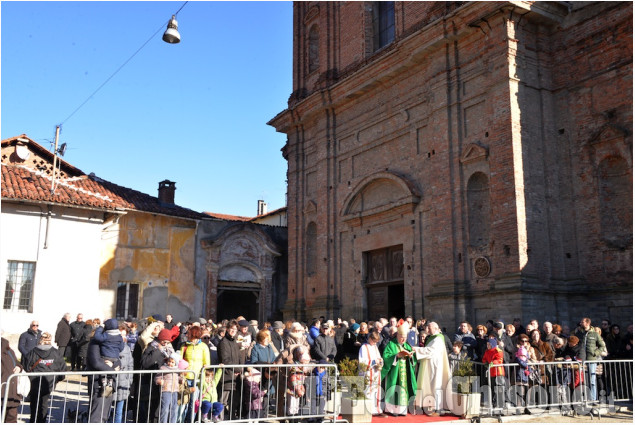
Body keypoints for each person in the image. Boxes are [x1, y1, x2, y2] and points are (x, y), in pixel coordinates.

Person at [22, 332, 67, 423]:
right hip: (48, 382)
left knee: (34, 403)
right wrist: (56, 379)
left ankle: (33, 421)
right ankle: (42, 421)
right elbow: (62, 368)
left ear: (40, 340)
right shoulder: (56, 353)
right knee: (44, 403)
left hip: (34, 382)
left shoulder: (32, 352)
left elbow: (26, 366)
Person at [413, 321, 451, 416]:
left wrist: (417, 349)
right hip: (430, 364)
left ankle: (437, 407)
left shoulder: (438, 339)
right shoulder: (432, 338)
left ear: (435, 328)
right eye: (427, 328)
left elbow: (431, 351)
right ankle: (429, 405)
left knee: (436, 385)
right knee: (430, 385)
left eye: (429, 328)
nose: (428, 330)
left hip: (436, 366)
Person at [138, 329, 175, 422]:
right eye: (164, 342)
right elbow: (145, 363)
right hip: (150, 381)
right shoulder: (151, 346)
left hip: (163, 383)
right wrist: (158, 351)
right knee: (149, 409)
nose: (166, 344)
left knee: (158, 409)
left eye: (168, 342)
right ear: (160, 339)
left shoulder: (168, 349)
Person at [381, 323, 416, 416]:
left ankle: (402, 410)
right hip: (394, 371)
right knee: (394, 388)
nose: (403, 339)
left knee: (404, 389)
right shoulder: (391, 344)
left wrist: (411, 356)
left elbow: (413, 360)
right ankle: (392, 410)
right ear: (397, 335)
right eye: (402, 337)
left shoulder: (407, 346)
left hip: (405, 371)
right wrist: (396, 356)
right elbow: (386, 357)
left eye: (405, 337)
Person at [180, 325, 211, 422]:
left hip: (197, 379)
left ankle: (190, 421)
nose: (187, 336)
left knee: (193, 403)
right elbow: (180, 360)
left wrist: (204, 372)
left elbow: (207, 363)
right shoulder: (184, 346)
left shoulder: (203, 347)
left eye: (189, 334)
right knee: (183, 403)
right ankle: (181, 421)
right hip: (185, 377)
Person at [575, 317, 606, 402]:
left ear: (588, 323)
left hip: (591, 359)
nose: (581, 323)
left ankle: (593, 399)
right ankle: (583, 399)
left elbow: (602, 345)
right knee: (583, 380)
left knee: (592, 380)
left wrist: (595, 353)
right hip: (581, 360)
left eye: (583, 322)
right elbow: (574, 344)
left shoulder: (595, 334)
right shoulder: (578, 333)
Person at [218, 320, 242, 420]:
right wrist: (238, 368)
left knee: (234, 401)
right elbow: (225, 359)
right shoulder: (224, 342)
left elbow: (238, 357)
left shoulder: (235, 342)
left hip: (235, 376)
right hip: (227, 375)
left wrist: (240, 369)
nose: (233, 331)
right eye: (231, 329)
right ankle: (220, 420)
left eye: (235, 329)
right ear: (227, 329)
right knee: (223, 401)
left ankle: (232, 419)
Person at [358, 329, 384, 416]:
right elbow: (362, 362)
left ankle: (376, 409)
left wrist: (380, 361)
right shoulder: (364, 347)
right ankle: (368, 409)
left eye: (376, 342)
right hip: (368, 373)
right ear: (370, 338)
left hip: (376, 372)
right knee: (368, 391)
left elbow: (378, 357)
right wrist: (373, 362)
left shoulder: (375, 347)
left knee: (375, 391)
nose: (375, 343)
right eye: (374, 341)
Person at [155, 353, 183, 423]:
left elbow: (177, 378)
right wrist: (159, 381)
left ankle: (172, 422)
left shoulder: (177, 370)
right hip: (166, 389)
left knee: (174, 408)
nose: (170, 363)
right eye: (169, 361)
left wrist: (181, 379)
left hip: (175, 390)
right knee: (165, 409)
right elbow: (157, 377)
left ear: (175, 363)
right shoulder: (163, 368)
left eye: (172, 362)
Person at [1, 335, 23, 423]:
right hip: (4, 391)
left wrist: (19, 367)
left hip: (11, 392)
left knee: (11, 418)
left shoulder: (9, 351)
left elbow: (17, 363)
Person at [114, 325, 134, 423]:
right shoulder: (111, 346)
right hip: (112, 381)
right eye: (121, 334)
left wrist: (129, 379)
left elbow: (130, 364)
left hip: (123, 382)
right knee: (108, 409)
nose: (123, 337)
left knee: (119, 410)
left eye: (124, 335)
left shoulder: (127, 348)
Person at [482, 336, 505, 408]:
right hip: (491, 372)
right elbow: (484, 358)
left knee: (499, 389)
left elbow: (499, 360)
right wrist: (485, 363)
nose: (487, 346)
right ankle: (494, 403)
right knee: (492, 388)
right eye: (487, 344)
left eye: (489, 344)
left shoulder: (498, 351)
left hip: (498, 372)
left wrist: (491, 363)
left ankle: (501, 404)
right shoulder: (487, 351)